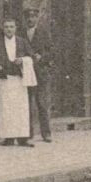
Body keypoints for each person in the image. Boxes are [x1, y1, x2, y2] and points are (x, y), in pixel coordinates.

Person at [0, 17, 34, 147]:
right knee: (7, 108)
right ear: (3, 28)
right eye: (6, 27)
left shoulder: (22, 42)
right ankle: (8, 137)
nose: (9, 29)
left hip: (19, 79)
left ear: (15, 28)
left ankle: (23, 137)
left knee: (21, 108)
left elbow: (31, 56)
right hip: (5, 79)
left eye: (11, 27)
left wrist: (23, 60)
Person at [24, 11, 54, 143]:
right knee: (27, 104)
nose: (30, 19)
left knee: (42, 104)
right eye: (28, 17)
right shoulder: (20, 33)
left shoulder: (44, 33)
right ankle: (28, 133)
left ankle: (46, 133)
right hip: (26, 73)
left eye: (33, 17)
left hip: (41, 73)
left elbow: (51, 51)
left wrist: (42, 57)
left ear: (37, 18)